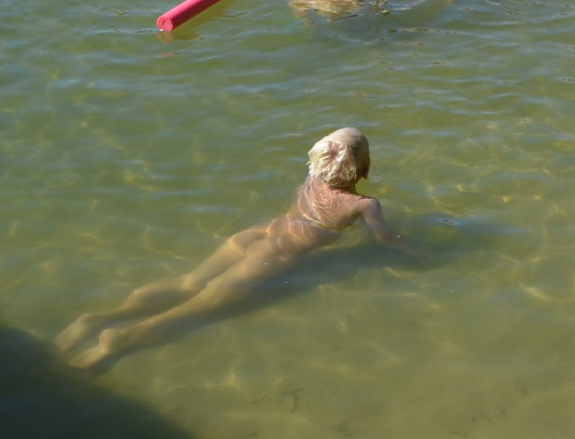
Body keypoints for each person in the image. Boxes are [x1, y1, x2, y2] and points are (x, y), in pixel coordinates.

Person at [59, 128, 405, 370]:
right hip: (274, 257)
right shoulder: (363, 205)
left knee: (189, 283)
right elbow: (385, 239)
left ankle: (100, 318)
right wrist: (410, 249)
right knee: (192, 310)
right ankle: (118, 340)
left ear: (317, 161)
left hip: (257, 234)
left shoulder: (312, 179)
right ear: (365, 169)